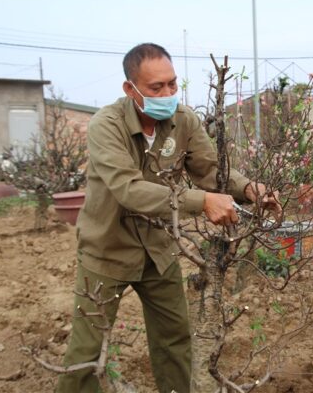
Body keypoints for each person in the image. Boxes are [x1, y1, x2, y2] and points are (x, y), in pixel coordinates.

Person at [56, 43, 279, 393]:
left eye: (173, 84)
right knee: (86, 351)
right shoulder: (106, 125)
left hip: (159, 249)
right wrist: (202, 202)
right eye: (156, 88)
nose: (168, 94)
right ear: (131, 90)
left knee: (174, 341)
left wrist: (250, 188)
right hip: (107, 250)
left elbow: (209, 171)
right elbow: (129, 189)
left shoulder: (184, 121)